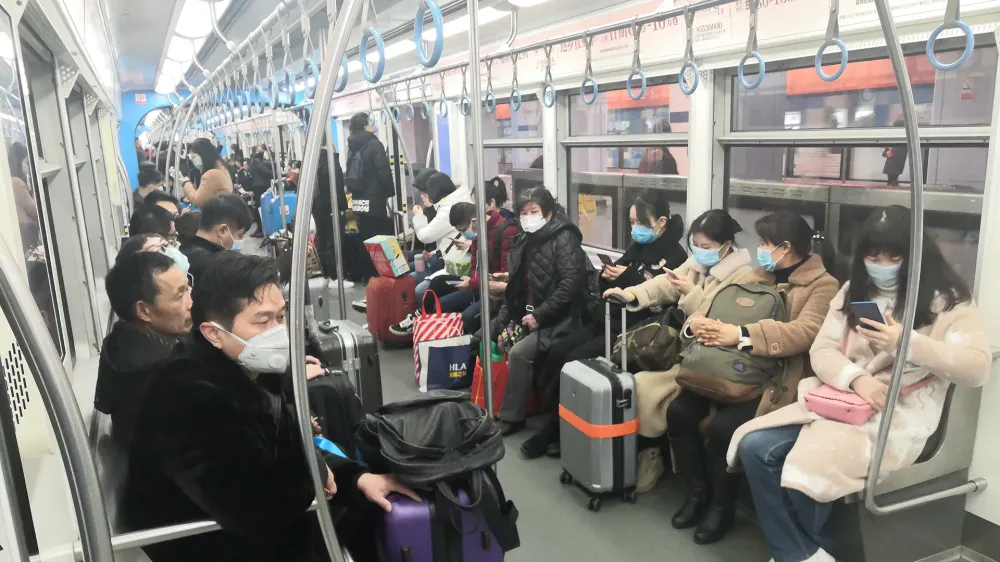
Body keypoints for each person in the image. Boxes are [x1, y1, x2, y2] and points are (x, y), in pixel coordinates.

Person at [119, 253, 419, 562]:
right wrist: (315, 469)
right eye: (263, 321)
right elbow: (253, 506)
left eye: (281, 316)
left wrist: (354, 478)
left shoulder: (251, 370)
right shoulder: (186, 397)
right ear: (213, 333)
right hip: (210, 542)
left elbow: (285, 443)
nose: (278, 331)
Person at [733, 206, 990, 562]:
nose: (880, 263)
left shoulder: (947, 300)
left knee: (809, 464)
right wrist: (858, 379)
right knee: (754, 446)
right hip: (845, 399)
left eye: (892, 255)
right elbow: (822, 348)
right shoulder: (857, 290)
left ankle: (802, 551)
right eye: (872, 255)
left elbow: (976, 369)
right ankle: (803, 553)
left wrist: (907, 344)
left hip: (898, 413)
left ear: (916, 254)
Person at [664, 210, 839, 546]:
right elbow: (712, 308)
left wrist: (742, 334)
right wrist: (697, 325)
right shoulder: (756, 274)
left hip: (777, 378)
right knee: (679, 412)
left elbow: (805, 333)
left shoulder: (823, 286)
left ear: (785, 247)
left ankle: (721, 506)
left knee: (722, 428)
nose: (760, 249)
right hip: (726, 365)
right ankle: (696, 494)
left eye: (764, 243)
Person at [585, 210, 752, 490]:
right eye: (695, 245)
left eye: (706, 247)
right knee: (628, 375)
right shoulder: (698, 263)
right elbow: (665, 282)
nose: (699, 252)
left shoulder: (743, 277)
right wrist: (632, 293)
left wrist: (690, 293)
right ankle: (649, 452)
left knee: (647, 388)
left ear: (726, 245)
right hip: (685, 349)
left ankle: (660, 459)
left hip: (713, 356)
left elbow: (719, 321)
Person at [519, 193, 690, 459]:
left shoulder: (675, 257)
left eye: (640, 222)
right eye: (632, 221)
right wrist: (607, 276)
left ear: (661, 222)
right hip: (606, 320)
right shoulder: (638, 248)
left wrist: (627, 277)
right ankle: (561, 422)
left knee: (573, 362)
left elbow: (657, 299)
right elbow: (610, 281)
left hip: (633, 332)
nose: (635, 228)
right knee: (554, 356)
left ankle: (555, 429)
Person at [491, 188, 589, 436]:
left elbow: (570, 283)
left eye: (534, 212)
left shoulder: (564, 238)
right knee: (500, 337)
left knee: (519, 352)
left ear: (548, 214)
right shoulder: (526, 239)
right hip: (530, 313)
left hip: (561, 318)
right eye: (523, 213)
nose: (528, 217)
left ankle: (512, 416)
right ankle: (525, 402)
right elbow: (524, 283)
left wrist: (540, 315)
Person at [96, 252, 192, 446]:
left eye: (188, 289)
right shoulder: (161, 378)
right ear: (143, 311)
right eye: (179, 295)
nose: (191, 302)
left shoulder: (125, 333)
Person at [389, 197, 520, 338]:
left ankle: (464, 347)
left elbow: (504, 275)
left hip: (496, 292)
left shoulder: (506, 231)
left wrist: (472, 282)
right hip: (479, 285)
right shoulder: (479, 232)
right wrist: (472, 279)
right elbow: (475, 264)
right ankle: (423, 323)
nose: (465, 235)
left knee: (466, 317)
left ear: (474, 221)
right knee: (438, 284)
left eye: (463, 230)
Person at [345, 112, 395, 281]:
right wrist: (390, 191)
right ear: (366, 126)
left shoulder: (351, 145)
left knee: (364, 235)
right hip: (374, 199)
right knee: (379, 236)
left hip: (359, 199)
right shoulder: (374, 144)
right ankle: (379, 272)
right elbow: (383, 171)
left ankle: (366, 273)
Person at [178, 193, 254, 281]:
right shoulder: (218, 267)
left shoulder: (182, 245)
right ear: (222, 230)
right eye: (240, 235)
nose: (241, 241)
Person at [312, 137, 353, 288]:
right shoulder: (330, 162)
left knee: (323, 241)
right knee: (335, 241)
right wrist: (342, 207)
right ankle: (337, 278)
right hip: (331, 207)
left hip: (318, 208)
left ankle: (327, 274)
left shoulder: (313, 160)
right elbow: (336, 187)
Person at [181, 138, 234, 207]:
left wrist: (186, 183)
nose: (192, 160)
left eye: (194, 157)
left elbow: (198, 201)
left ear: (204, 155)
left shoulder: (212, 174)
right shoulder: (222, 168)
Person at [882, 119, 907, 186]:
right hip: (893, 166)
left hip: (894, 165)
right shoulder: (895, 138)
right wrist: (887, 152)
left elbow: (894, 153)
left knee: (892, 181)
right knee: (892, 181)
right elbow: (885, 153)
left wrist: (888, 152)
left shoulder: (902, 139)